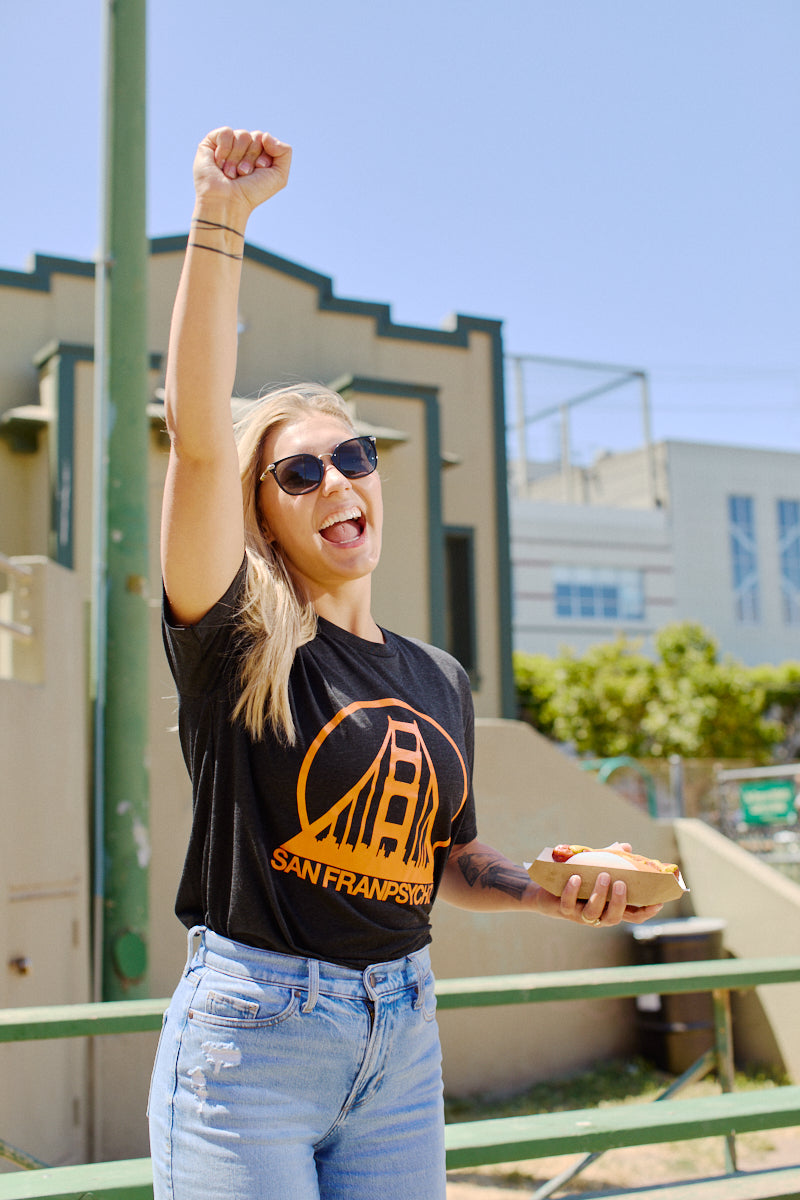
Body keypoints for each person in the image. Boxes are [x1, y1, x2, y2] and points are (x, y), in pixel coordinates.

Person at [147, 126, 663, 1200]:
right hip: (252, 1040)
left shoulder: (438, 677)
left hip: (402, 1032)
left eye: (355, 456)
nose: (339, 481)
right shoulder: (239, 641)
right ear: (261, 512)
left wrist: (544, 892)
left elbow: (446, 861)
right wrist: (220, 218)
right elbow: (197, 445)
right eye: (300, 473)